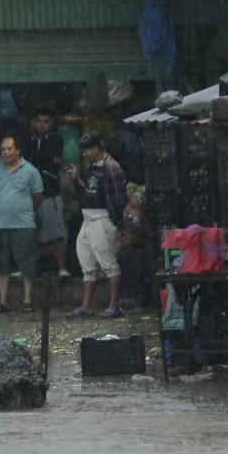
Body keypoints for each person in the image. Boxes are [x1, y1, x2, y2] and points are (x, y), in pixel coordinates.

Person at [66, 131, 127, 318]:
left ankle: (114, 305)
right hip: (87, 219)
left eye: (87, 151)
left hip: (102, 218)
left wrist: (115, 223)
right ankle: (86, 305)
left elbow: (119, 199)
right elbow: (85, 192)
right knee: (87, 263)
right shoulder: (92, 167)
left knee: (109, 264)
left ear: (96, 149)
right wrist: (76, 178)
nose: (84, 155)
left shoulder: (112, 167)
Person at [0, 135, 43, 313]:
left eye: (9, 149)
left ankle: (27, 300)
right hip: (1, 225)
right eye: (3, 149)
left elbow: (38, 196)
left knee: (27, 264)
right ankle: (3, 301)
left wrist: (24, 211)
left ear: (18, 150)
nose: (6, 152)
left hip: (24, 224)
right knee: (1, 265)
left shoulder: (30, 171)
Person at [26, 107, 71, 279]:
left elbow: (52, 158)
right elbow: (33, 159)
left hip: (50, 193)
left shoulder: (56, 139)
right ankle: (27, 268)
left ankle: (62, 268)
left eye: (46, 122)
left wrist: (42, 159)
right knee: (29, 234)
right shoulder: (30, 139)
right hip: (30, 194)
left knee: (57, 235)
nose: (42, 125)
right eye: (39, 121)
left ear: (51, 123)